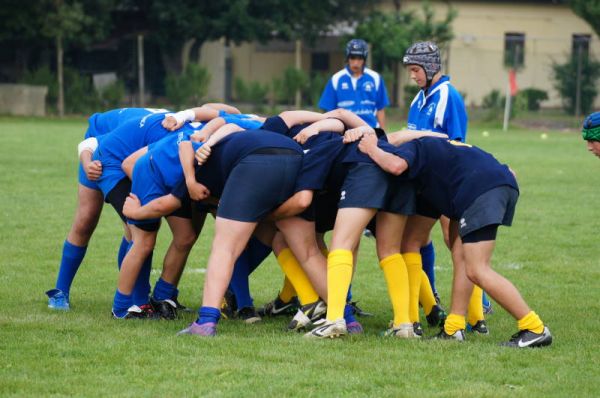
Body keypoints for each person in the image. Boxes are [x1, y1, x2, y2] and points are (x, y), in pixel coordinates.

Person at [357, 133, 553, 348]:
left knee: (477, 269)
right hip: (491, 185)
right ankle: (454, 328)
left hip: (480, 191)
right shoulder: (438, 160)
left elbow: (395, 166)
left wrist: (372, 149)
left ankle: (535, 328)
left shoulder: (416, 146)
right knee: (461, 259)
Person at [401, 41, 488, 335]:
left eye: (415, 70)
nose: (412, 76)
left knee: (457, 247)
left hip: (448, 183)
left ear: (430, 67)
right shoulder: (419, 99)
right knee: (412, 241)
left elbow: (457, 145)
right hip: (425, 184)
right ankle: (412, 316)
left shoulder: (448, 96)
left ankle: (475, 316)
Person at [46, 107, 169, 311]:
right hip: (97, 153)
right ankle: (60, 292)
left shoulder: (177, 131)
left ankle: (136, 298)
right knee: (86, 218)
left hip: (128, 158)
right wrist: (87, 164)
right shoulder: (150, 128)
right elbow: (90, 144)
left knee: (136, 227)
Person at [319, 39, 390, 129]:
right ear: (347, 58)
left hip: (371, 129)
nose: (356, 62)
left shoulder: (375, 78)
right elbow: (328, 110)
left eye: (359, 58)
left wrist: (383, 135)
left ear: (364, 59)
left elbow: (380, 109)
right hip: (344, 132)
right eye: (352, 57)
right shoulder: (336, 79)